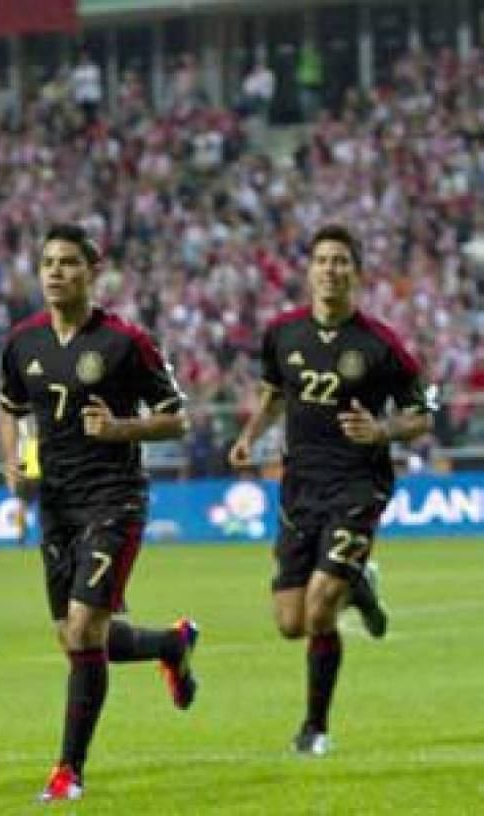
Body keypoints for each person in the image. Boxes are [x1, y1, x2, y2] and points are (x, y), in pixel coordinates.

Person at [0, 224, 199, 803]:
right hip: (57, 504)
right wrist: (13, 463)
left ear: (93, 272)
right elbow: (10, 408)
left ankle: (69, 770)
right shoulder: (23, 343)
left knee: (85, 628)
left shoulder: (125, 342)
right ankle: (170, 645)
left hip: (114, 498)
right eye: (48, 263)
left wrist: (120, 429)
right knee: (76, 637)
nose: (56, 272)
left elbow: (177, 419)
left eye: (68, 262)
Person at [228, 223, 434, 756]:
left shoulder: (380, 343)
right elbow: (274, 395)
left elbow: (421, 415)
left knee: (320, 608)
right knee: (291, 623)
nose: (330, 269)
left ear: (356, 273)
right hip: (300, 487)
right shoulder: (283, 333)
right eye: (322, 260)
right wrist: (249, 436)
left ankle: (315, 728)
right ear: (310, 270)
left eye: (341, 261)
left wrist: (381, 431)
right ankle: (358, 586)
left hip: (358, 485)